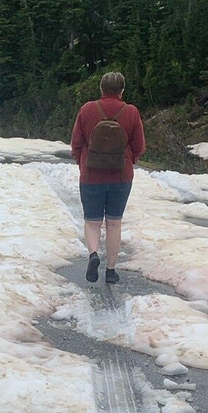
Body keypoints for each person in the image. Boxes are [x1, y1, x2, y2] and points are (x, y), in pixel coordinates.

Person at [70, 71, 146, 284]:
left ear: (101, 89)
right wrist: (130, 161)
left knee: (92, 222)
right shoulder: (131, 112)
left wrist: (82, 163)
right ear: (122, 90)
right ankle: (111, 271)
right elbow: (139, 146)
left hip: (91, 175)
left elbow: (76, 143)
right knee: (114, 223)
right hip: (121, 176)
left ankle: (94, 254)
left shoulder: (87, 109)